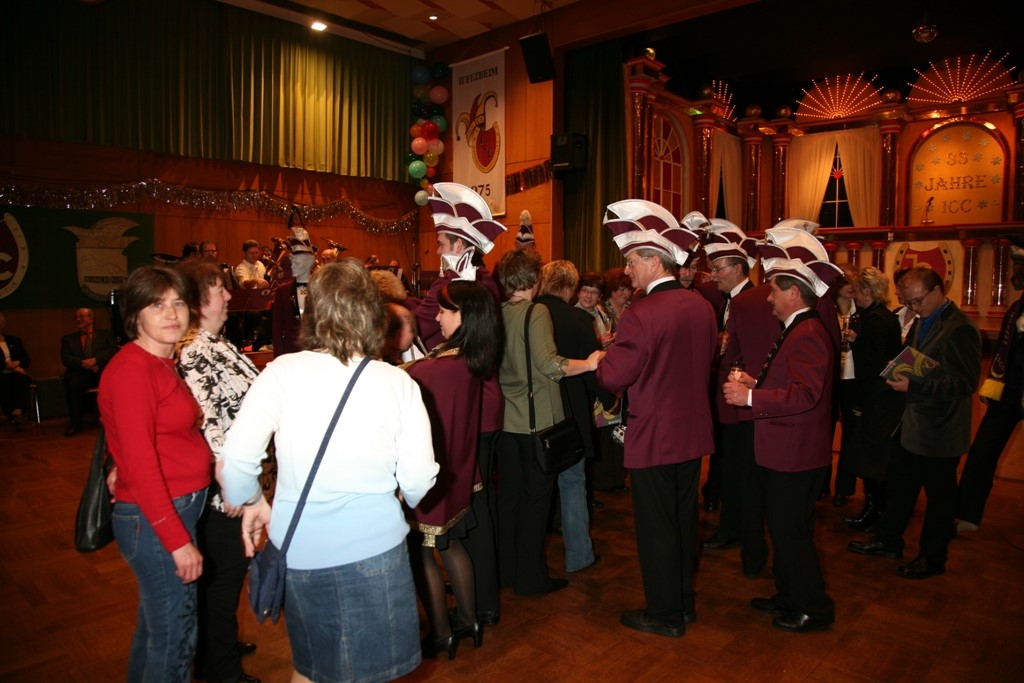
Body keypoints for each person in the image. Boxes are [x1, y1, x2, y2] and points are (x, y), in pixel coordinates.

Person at [219, 259, 438, 683]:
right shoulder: (398, 383)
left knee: (311, 668)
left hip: (302, 549)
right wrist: (401, 496)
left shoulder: (280, 373)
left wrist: (253, 502)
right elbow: (418, 480)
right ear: (372, 313)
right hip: (376, 549)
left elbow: (236, 463)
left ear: (312, 313)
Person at [596, 200, 715, 638]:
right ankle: (682, 603)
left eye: (631, 261)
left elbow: (614, 377)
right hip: (692, 432)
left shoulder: (641, 313)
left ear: (653, 261)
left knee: (656, 529)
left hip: (654, 436)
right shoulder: (701, 306)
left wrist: (602, 359)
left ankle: (664, 614)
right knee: (683, 522)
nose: (627, 270)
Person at [98, 265, 211, 682]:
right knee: (174, 640)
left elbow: (133, 437)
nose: (172, 314)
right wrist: (177, 543)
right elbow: (142, 464)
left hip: (169, 511)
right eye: (157, 305)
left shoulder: (159, 361)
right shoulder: (134, 368)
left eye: (178, 303)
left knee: (156, 632)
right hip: (158, 520)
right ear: (135, 315)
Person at [723, 246, 842, 633]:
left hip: (795, 454)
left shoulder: (807, 332)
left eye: (774, 290)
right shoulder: (800, 328)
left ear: (793, 293)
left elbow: (805, 394)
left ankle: (813, 608)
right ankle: (788, 596)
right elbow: (792, 383)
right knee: (785, 529)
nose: (768, 297)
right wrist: (757, 383)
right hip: (788, 451)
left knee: (792, 534)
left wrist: (751, 398)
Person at [849, 266, 982, 579]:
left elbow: (964, 383)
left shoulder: (960, 328)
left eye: (917, 301)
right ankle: (888, 540)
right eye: (907, 302)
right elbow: (920, 361)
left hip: (941, 430)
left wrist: (913, 386)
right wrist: (897, 368)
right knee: (900, 487)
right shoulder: (925, 318)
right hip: (912, 425)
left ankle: (932, 558)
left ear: (936, 291)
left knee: (939, 500)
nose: (913, 308)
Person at [496, 248, 603, 596]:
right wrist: (589, 363)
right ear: (534, 279)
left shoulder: (499, 312)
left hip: (507, 424)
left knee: (510, 502)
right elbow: (550, 364)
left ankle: (507, 571)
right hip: (537, 422)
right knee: (535, 503)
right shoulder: (536, 311)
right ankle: (531, 578)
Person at [174, 259, 261, 683]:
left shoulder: (214, 342)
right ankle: (219, 669)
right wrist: (235, 490)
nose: (228, 295)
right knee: (222, 580)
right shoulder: (194, 351)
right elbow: (209, 427)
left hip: (231, 483)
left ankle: (217, 645)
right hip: (220, 491)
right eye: (218, 289)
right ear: (195, 301)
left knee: (225, 578)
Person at [404, 281, 500, 659]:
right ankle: (469, 620)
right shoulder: (468, 358)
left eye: (444, 311)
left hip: (431, 474)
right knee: (452, 545)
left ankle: (442, 632)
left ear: (463, 316)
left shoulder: (437, 368)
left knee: (424, 554)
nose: (438, 318)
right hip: (457, 470)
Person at [701, 219, 767, 578]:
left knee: (738, 468)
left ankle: (734, 528)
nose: (714, 275)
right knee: (730, 466)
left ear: (739, 269)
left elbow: (752, 354)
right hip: (730, 398)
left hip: (740, 400)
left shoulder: (749, 301)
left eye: (720, 269)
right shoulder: (728, 300)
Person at [537, 260, 610, 573]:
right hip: (571, 411)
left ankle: (528, 561)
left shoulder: (526, 314)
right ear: (570, 288)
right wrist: (611, 399)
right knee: (573, 482)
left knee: (536, 488)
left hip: (534, 412)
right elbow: (594, 373)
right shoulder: (578, 319)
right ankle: (579, 556)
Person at [957, 236, 1024, 531]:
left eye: (1020, 266)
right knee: (982, 451)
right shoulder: (1017, 308)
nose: (1014, 273)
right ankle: (966, 514)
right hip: (1008, 392)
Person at [843, 267, 904, 533]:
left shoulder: (876, 319)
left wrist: (860, 402)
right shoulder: (880, 317)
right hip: (881, 397)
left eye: (856, 290)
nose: (853, 295)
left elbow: (872, 367)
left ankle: (875, 511)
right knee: (871, 458)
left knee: (872, 460)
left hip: (878, 399)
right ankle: (874, 509)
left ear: (867, 291)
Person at [829, 263, 860, 505]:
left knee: (851, 435)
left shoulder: (861, 312)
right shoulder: (826, 310)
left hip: (852, 378)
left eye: (855, 282)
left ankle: (843, 489)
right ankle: (821, 484)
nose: (851, 287)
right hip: (830, 378)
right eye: (847, 281)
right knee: (824, 431)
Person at [60, 308, 119, 436]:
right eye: (76, 317)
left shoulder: (106, 334)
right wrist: (86, 364)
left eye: (82, 316)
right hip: (80, 374)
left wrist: (96, 360)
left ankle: (117, 422)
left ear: (92, 319)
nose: (78, 319)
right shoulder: (68, 339)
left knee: (119, 382)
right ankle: (75, 425)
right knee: (73, 384)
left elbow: (113, 351)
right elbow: (66, 359)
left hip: (102, 372)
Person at [0, 311, 31, 430]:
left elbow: (26, 359)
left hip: (16, 372)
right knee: (4, 383)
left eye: (1, 322)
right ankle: (12, 413)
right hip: (1, 373)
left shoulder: (14, 340)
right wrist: (7, 366)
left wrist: (17, 364)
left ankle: (18, 411)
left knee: (21, 380)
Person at [576, 271, 614, 349]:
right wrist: (599, 343)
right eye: (584, 291)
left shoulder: (601, 314)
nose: (588, 296)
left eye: (594, 292)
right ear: (578, 293)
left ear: (600, 296)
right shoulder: (571, 316)